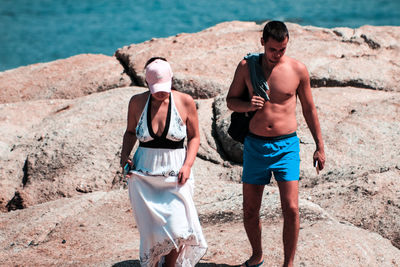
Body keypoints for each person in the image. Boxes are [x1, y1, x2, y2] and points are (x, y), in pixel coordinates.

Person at [226, 21, 325, 267]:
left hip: (286, 146)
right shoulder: (247, 68)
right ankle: (257, 255)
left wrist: (319, 145)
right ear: (263, 43)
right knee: (250, 209)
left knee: (291, 208)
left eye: (282, 49)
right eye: (272, 49)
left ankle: (288, 264)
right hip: (255, 146)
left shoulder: (298, 70)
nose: (277, 54)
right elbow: (230, 101)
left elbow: (309, 109)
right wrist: (248, 105)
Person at [120, 57, 207, 267]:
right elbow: (130, 132)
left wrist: (187, 165)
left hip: (176, 173)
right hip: (144, 175)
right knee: (152, 232)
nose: (161, 92)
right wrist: (124, 157)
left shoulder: (184, 101)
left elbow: (195, 137)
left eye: (164, 87)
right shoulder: (137, 102)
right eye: (156, 88)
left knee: (177, 228)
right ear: (148, 84)